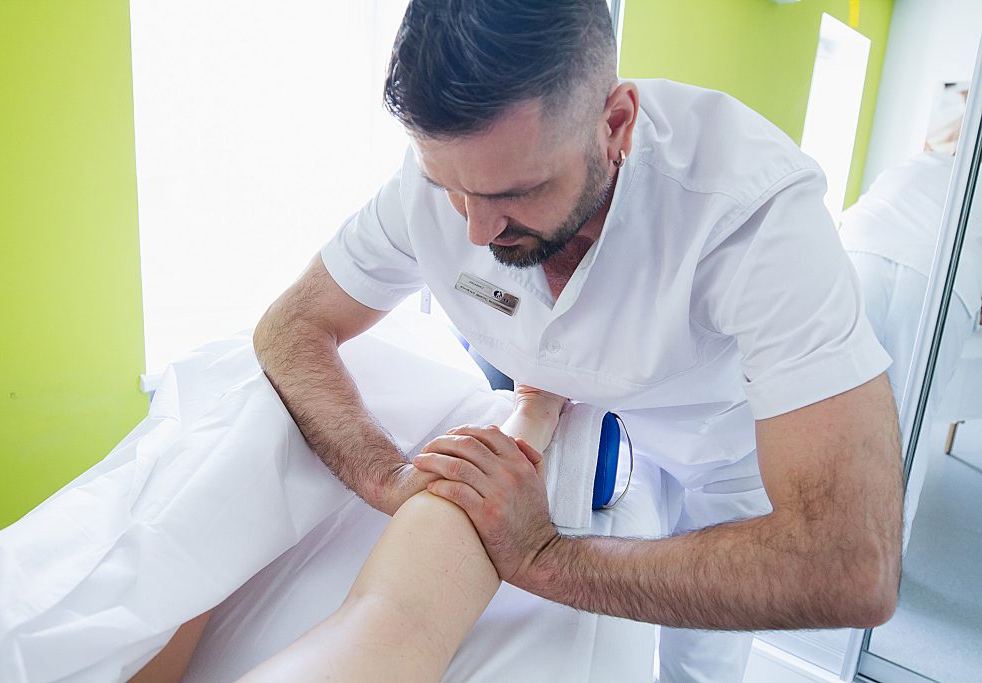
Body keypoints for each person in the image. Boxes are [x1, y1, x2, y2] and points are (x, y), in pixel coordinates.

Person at [253, 1, 904, 681]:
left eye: (516, 192)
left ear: (616, 122)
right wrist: (389, 477)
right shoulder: (439, 187)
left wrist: (543, 556)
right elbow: (290, 327)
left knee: (703, 664)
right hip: (571, 413)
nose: (475, 232)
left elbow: (854, 564)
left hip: (723, 449)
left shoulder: (754, 214)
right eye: (450, 188)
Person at [840, 147, 982, 549]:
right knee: (907, 421)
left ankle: (812, 537)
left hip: (856, 250)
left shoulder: (922, 161)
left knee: (834, 399)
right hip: (936, 273)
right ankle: (881, 559)